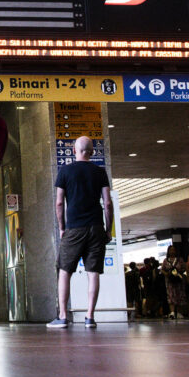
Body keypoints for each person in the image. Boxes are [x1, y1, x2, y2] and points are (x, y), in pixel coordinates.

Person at [47, 136, 113, 329]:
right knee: (93, 273)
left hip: (74, 227)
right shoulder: (100, 172)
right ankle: (90, 317)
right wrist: (108, 230)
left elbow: (59, 202)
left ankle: (62, 316)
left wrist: (61, 228)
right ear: (91, 152)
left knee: (65, 271)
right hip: (95, 226)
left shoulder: (65, 171)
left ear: (74, 150)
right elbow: (107, 203)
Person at [161, 245, 188, 320]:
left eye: (173, 250)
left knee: (179, 295)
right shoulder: (166, 260)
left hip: (179, 281)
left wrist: (179, 273)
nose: (172, 251)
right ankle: (172, 312)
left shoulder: (180, 260)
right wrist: (167, 274)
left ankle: (178, 312)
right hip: (170, 281)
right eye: (170, 250)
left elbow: (184, 268)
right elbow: (162, 269)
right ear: (168, 251)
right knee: (170, 295)